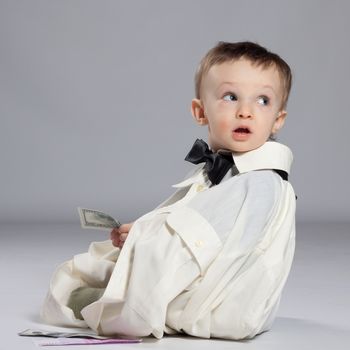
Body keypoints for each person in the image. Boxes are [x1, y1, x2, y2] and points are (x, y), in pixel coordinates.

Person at [41, 41, 297, 340]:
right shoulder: (228, 174)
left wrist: (144, 240)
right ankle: (117, 291)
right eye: (231, 97)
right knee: (106, 267)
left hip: (221, 310)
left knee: (90, 284)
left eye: (263, 101)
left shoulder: (257, 183)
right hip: (223, 294)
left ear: (278, 119)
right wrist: (143, 231)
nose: (246, 112)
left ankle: (123, 304)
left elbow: (194, 242)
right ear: (200, 111)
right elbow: (193, 223)